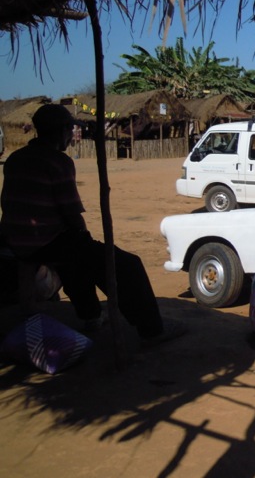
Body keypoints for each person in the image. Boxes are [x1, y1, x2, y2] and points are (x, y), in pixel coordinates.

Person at [0, 104, 182, 344]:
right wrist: (83, 236)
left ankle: (91, 315)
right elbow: (71, 213)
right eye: (69, 130)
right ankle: (152, 330)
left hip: (12, 238)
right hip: (42, 241)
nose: (71, 136)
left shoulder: (15, 158)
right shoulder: (58, 162)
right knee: (127, 265)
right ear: (63, 130)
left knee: (77, 256)